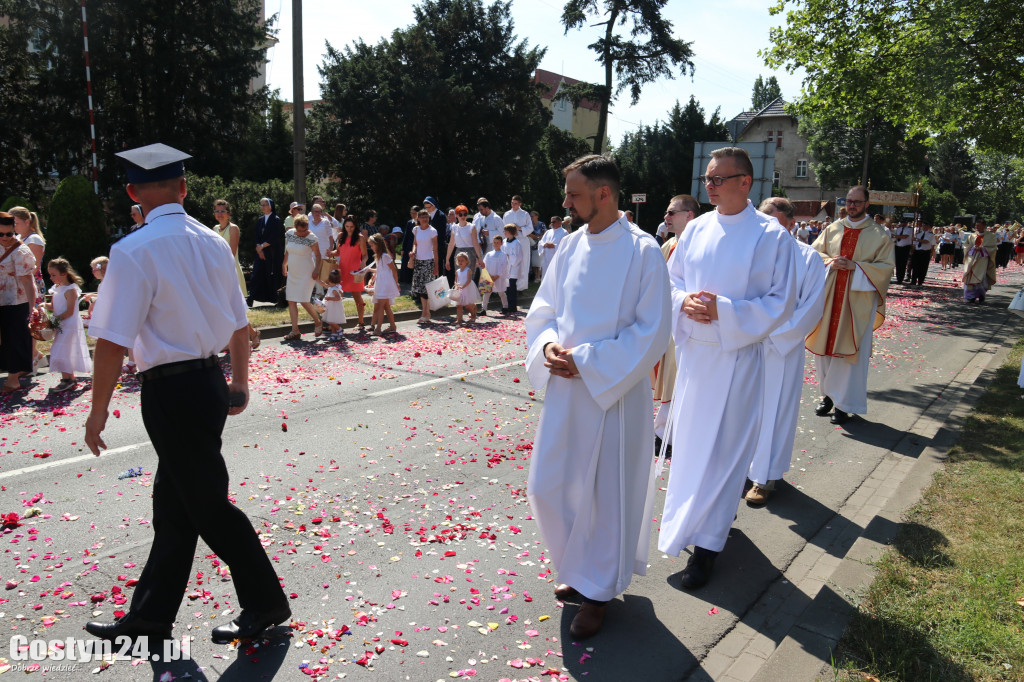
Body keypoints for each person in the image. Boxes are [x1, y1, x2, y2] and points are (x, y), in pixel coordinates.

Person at [84, 143, 289, 647]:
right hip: (207, 382)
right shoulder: (213, 241)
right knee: (173, 506)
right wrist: (239, 380)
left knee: (207, 506)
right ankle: (152, 614)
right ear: (183, 188)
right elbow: (240, 323)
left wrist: (97, 410)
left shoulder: (133, 250)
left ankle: (265, 601)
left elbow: (112, 340)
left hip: (171, 390)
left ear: (134, 194)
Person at [525, 154, 671, 638]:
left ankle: (598, 590)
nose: (565, 202)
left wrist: (585, 361)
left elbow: (652, 331)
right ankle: (576, 564)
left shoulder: (643, 250)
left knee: (606, 495)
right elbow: (544, 308)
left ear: (603, 194)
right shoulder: (568, 246)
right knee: (549, 485)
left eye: (574, 194)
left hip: (613, 394)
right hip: (565, 392)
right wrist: (546, 345)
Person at [658, 147, 797, 589]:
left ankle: (707, 550)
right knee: (691, 453)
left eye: (719, 179)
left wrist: (726, 312)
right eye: (708, 180)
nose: (710, 186)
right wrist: (685, 302)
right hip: (697, 358)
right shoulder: (696, 229)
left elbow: (781, 301)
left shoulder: (771, 236)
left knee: (722, 455)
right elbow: (673, 280)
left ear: (746, 182)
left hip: (737, 358)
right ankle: (686, 530)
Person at [745, 197, 827, 505]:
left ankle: (765, 477)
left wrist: (770, 333)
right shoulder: (750, 254)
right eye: (764, 222)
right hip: (746, 345)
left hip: (780, 348)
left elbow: (811, 308)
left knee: (774, 412)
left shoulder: (808, 259)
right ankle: (740, 468)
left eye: (776, 222)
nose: (769, 229)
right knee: (744, 410)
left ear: (791, 225)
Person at [806, 185, 895, 425]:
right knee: (824, 350)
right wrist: (830, 262)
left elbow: (886, 269)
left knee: (849, 355)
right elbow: (814, 256)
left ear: (867, 204)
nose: (852, 205)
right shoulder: (833, 229)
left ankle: (843, 405)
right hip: (829, 299)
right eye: (849, 201)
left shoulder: (879, 234)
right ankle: (827, 397)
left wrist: (856, 266)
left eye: (857, 201)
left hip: (857, 305)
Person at [651, 194, 698, 448]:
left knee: (678, 377)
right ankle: (666, 431)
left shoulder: (699, 244)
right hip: (668, 320)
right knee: (668, 375)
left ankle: (667, 433)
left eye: (671, 213)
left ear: (688, 215)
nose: (666, 218)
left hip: (688, 323)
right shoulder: (669, 246)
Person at [212, 200, 260, 350]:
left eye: (222, 211)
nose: (220, 214)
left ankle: (250, 334)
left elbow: (231, 253)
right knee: (227, 308)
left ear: (228, 213)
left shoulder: (233, 229)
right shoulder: (214, 228)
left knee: (234, 307)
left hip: (230, 270)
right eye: (217, 211)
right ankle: (250, 334)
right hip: (218, 270)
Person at [42, 258, 92, 393]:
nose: (51, 278)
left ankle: (67, 380)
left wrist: (54, 321)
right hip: (61, 324)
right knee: (62, 350)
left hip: (69, 325)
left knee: (61, 351)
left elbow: (69, 311)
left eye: (53, 275)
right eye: (50, 275)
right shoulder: (57, 288)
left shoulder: (70, 290)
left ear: (64, 274)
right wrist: (42, 305)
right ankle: (69, 378)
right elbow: (53, 306)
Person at [0, 212, 37, 394]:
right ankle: (18, 370)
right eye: (1, 234)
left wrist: (32, 308)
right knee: (5, 339)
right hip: (1, 299)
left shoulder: (20, 250)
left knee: (13, 339)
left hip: (16, 299)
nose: (6, 238)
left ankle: (13, 380)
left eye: (9, 234)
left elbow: (29, 283)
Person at [9, 206, 46, 372]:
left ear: (26, 221)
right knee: (21, 324)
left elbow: (33, 266)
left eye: (15, 222)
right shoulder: (17, 237)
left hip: (31, 284)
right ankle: (36, 356)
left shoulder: (34, 240)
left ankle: (30, 360)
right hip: (17, 285)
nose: (13, 226)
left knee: (29, 322)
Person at [281, 215, 324, 340]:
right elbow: (288, 251)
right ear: (295, 227)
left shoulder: (311, 237)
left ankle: (318, 321)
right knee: (291, 300)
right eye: (300, 230)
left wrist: (316, 270)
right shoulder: (289, 234)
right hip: (293, 272)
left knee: (304, 300)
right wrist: (284, 264)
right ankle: (295, 330)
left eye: (305, 230)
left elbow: (318, 255)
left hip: (307, 272)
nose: (303, 233)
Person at [336, 216, 368, 332]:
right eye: (347, 226)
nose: (349, 229)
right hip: (342, 269)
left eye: (352, 227)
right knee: (337, 296)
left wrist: (363, 263)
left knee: (357, 297)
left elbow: (365, 255)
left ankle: (361, 322)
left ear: (356, 226)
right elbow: (338, 252)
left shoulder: (360, 238)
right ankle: (335, 324)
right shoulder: (341, 236)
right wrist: (330, 253)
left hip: (354, 270)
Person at [250, 197, 284, 304]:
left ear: (271, 206)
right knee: (257, 274)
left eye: (265, 204)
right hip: (261, 252)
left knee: (272, 274)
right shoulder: (260, 220)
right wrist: (259, 249)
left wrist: (262, 246)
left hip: (272, 252)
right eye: (262, 205)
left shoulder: (276, 219)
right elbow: (256, 235)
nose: (263, 207)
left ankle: (275, 298)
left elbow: (275, 237)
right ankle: (252, 297)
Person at [410, 209, 440, 323]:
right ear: (418, 218)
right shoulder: (416, 229)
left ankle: (424, 314)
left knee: (425, 288)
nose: (424, 219)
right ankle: (427, 313)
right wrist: (413, 252)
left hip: (429, 261)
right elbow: (415, 243)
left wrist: (436, 266)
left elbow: (435, 250)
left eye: (426, 217)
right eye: (422, 217)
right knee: (420, 288)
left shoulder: (432, 231)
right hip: (418, 261)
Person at [367, 233, 399, 335]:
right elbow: (380, 270)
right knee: (386, 306)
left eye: (372, 245)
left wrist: (396, 283)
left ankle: (378, 328)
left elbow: (393, 270)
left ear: (378, 244)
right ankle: (393, 326)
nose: (371, 247)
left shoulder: (385, 256)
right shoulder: (378, 256)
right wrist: (368, 271)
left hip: (385, 284)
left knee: (381, 306)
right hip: (381, 283)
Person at [962, 219, 997, 304]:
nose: (976, 227)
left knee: (981, 276)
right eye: (976, 225)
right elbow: (966, 245)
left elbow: (993, 248)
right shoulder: (972, 235)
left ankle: (981, 294)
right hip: (972, 257)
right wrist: (972, 248)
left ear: (984, 226)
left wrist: (982, 248)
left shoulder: (990, 236)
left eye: (979, 225)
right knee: (970, 275)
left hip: (982, 258)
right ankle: (971, 296)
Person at [444, 205, 484, 277]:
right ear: (456, 215)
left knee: (469, 277)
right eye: (460, 214)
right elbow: (451, 244)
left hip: (470, 253)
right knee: (459, 276)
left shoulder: (471, 227)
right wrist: (447, 259)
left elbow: (475, 243)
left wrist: (480, 258)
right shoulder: (454, 227)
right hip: (458, 253)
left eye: (465, 214)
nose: (463, 216)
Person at [503, 196, 531, 290]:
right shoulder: (507, 214)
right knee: (509, 262)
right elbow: (504, 228)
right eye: (512, 203)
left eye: (515, 203)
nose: (513, 205)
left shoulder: (525, 214)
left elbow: (530, 228)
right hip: (510, 241)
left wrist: (519, 228)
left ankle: (521, 288)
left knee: (523, 262)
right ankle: (509, 286)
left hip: (522, 240)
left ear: (520, 204)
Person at [481, 235, 509, 315]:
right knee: (487, 293)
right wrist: (488, 275)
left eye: (498, 243)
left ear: (501, 243)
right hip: (489, 276)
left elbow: (504, 266)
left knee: (501, 292)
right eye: (494, 242)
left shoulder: (503, 255)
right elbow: (484, 264)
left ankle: (505, 306)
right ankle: (484, 309)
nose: (496, 244)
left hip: (499, 277)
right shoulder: (489, 254)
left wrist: (497, 276)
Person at [423, 197, 448, 283]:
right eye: (426, 207)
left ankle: (439, 286)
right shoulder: (426, 215)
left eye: (429, 207)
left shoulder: (440, 215)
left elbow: (441, 233)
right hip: (427, 246)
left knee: (439, 266)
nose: (427, 209)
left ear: (433, 205)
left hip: (438, 245)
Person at [452, 252, 480, 324]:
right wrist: (456, 285)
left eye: (462, 260)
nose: (460, 262)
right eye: (459, 260)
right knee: (459, 305)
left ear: (466, 261)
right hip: (459, 289)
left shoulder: (468, 270)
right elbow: (456, 280)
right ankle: (459, 319)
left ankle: (473, 314)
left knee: (468, 305)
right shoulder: (457, 271)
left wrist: (463, 286)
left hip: (467, 288)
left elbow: (469, 280)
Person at [502, 224, 522, 314]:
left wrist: (508, 256)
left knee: (512, 288)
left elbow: (518, 257)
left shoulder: (516, 243)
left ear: (509, 232)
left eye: (505, 231)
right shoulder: (504, 241)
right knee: (505, 288)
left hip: (513, 268)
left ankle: (512, 307)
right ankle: (506, 306)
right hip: (505, 267)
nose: (504, 233)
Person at [322, 269, 347, 340]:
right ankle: (334, 333)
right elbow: (324, 284)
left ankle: (339, 329)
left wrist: (329, 298)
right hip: (331, 306)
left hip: (334, 307)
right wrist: (317, 280)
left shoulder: (334, 289)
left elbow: (338, 298)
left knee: (331, 321)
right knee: (331, 320)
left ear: (330, 280)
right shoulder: (332, 287)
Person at [400, 205, 420, 285]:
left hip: (418, 245)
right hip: (409, 245)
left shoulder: (421, 223)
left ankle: (414, 279)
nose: (412, 215)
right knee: (407, 261)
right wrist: (403, 248)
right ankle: (406, 279)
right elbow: (406, 236)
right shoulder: (409, 222)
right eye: (411, 213)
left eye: (414, 213)